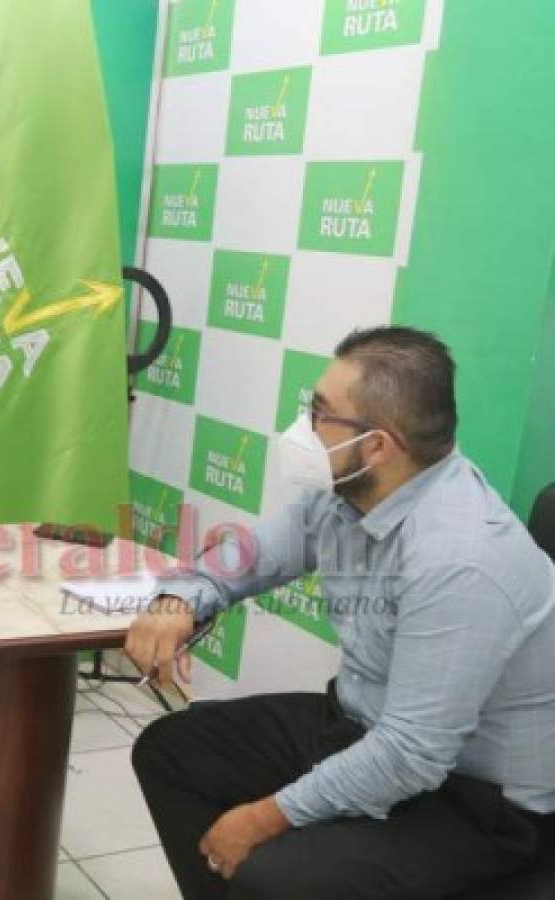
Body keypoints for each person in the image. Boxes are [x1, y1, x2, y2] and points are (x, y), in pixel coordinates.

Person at [127, 326, 555, 899]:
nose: (302, 428)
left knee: (271, 875)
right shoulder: (350, 495)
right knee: (172, 753)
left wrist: (258, 820)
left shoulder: (461, 558)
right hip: (363, 728)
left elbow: (410, 757)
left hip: (472, 798)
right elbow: (251, 556)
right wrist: (182, 598)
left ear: (378, 446)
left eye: (319, 413)